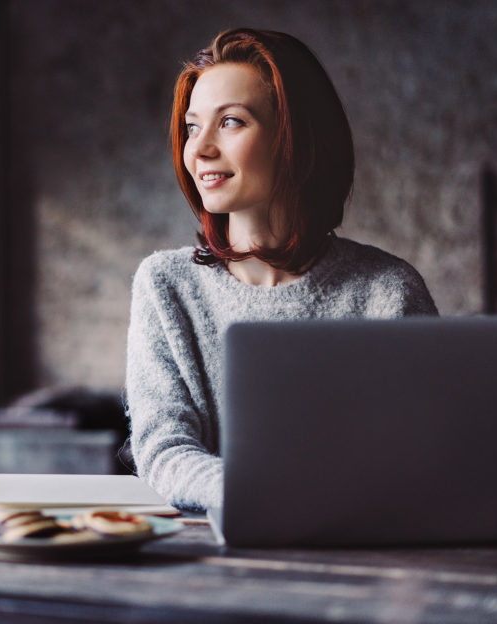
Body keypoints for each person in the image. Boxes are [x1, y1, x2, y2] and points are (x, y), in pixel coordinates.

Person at [125, 28, 437, 511]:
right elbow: (164, 450)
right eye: (192, 127)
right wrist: (265, 497)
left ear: (297, 139)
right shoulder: (166, 285)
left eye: (231, 122)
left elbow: (421, 459)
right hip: (211, 566)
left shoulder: (388, 292)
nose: (200, 149)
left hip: (360, 562)